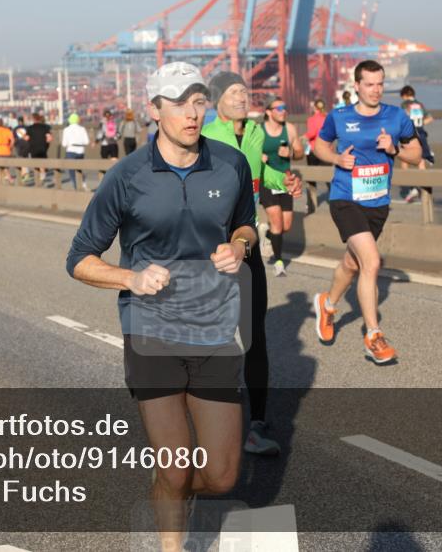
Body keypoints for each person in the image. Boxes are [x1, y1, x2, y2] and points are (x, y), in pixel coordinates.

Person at [67, 62, 256, 549]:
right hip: (150, 330)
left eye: (198, 101)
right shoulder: (127, 177)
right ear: (154, 110)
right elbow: (80, 260)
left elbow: (245, 224)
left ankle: (167, 493)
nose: (192, 113)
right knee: (175, 467)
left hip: (215, 328)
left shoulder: (231, 164)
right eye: (178, 103)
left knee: (221, 476)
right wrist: (131, 276)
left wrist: (237, 247)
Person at [202, 72, 301, 456]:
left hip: (246, 246)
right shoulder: (207, 135)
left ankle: (255, 422)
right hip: (212, 252)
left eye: (244, 91)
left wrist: (285, 182)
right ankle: (214, 417)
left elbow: (261, 178)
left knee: (255, 336)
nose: (242, 97)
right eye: (232, 93)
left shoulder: (257, 133)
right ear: (216, 101)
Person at [312, 60, 422, 364]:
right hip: (345, 198)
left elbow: (417, 154)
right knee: (372, 261)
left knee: (353, 263)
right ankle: (373, 334)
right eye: (369, 84)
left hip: (378, 203)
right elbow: (319, 147)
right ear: (357, 85)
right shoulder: (339, 116)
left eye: (380, 84)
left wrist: (395, 149)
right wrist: (336, 159)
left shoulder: (396, 116)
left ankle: (328, 304)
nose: (375, 90)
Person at [260, 98, 304, 276]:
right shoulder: (258, 131)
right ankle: (279, 263)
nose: (283, 110)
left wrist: (292, 152)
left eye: (284, 107)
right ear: (269, 112)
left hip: (285, 181)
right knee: (277, 223)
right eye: (279, 108)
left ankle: (267, 234)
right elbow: (246, 152)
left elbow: (300, 153)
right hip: (267, 181)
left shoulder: (290, 129)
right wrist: (259, 157)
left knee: (285, 226)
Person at [399, 85, 435, 202]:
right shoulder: (420, 105)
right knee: (421, 162)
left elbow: (402, 119)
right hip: (421, 134)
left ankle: (411, 187)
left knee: (405, 161)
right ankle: (426, 189)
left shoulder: (404, 105)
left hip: (409, 136)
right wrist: (419, 123)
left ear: (404, 95)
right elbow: (430, 118)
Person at [303, 98, 329, 214]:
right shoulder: (328, 118)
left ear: (314, 107)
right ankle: (335, 203)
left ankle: (312, 206)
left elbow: (312, 133)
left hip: (314, 150)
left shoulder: (311, 119)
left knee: (311, 179)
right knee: (329, 178)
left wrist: (303, 137)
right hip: (327, 150)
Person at [61, 113, 90, 189]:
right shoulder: (82, 129)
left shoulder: (66, 130)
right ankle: (83, 182)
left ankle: (76, 186)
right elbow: (87, 142)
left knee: (72, 170)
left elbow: (64, 144)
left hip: (71, 150)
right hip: (81, 151)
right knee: (79, 168)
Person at [25, 112, 53, 185]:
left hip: (33, 148)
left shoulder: (30, 128)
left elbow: (26, 138)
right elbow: (49, 138)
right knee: (42, 162)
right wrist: (46, 144)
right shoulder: (46, 127)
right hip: (43, 148)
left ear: (33, 119)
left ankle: (38, 179)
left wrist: (23, 136)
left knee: (36, 164)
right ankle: (42, 175)